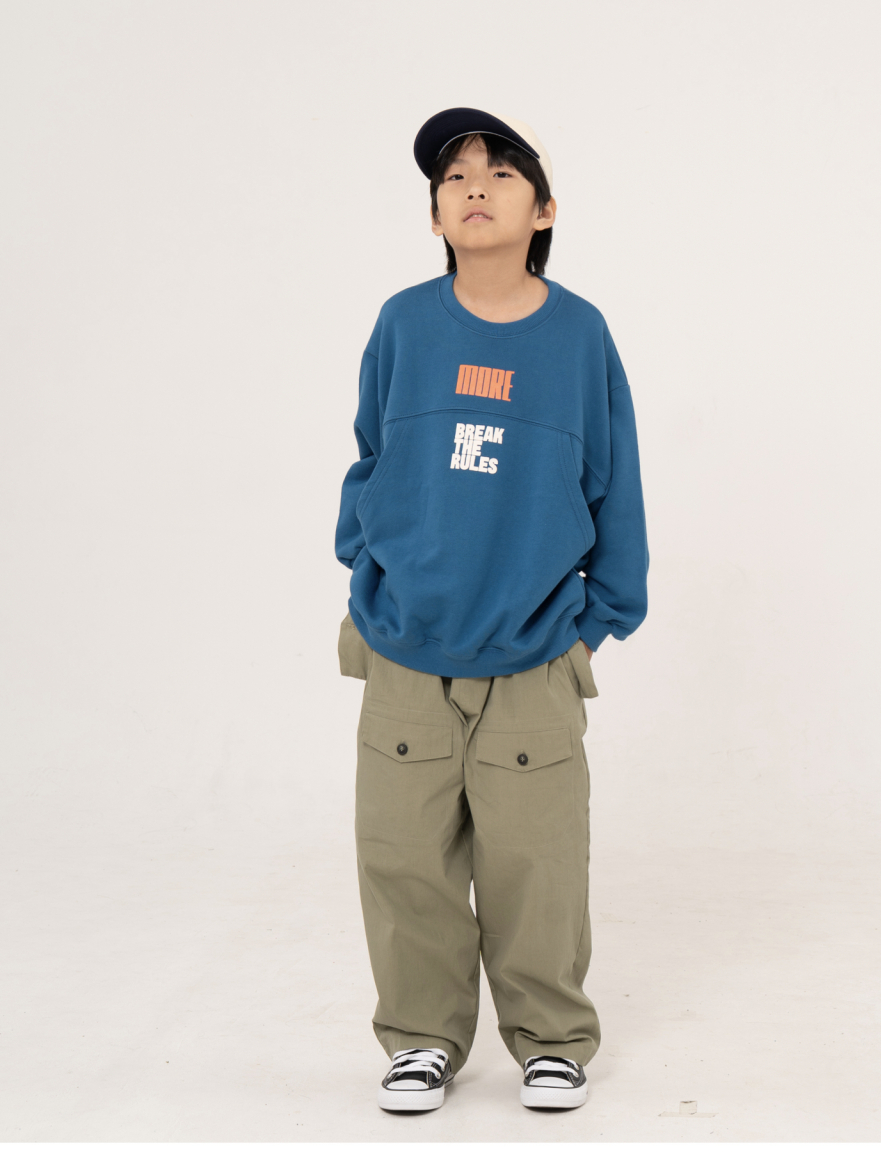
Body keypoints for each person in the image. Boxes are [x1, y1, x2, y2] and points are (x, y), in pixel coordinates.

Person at [335, 107, 649, 1112]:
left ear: (544, 210)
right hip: (405, 648)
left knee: (537, 864)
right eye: (454, 176)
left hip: (532, 655)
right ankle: (421, 1038)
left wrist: (599, 618)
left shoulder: (579, 336)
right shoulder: (404, 324)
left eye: (502, 172)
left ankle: (551, 1040)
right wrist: (366, 568)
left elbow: (615, 483)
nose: (475, 186)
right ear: (435, 216)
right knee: (404, 859)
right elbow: (372, 457)